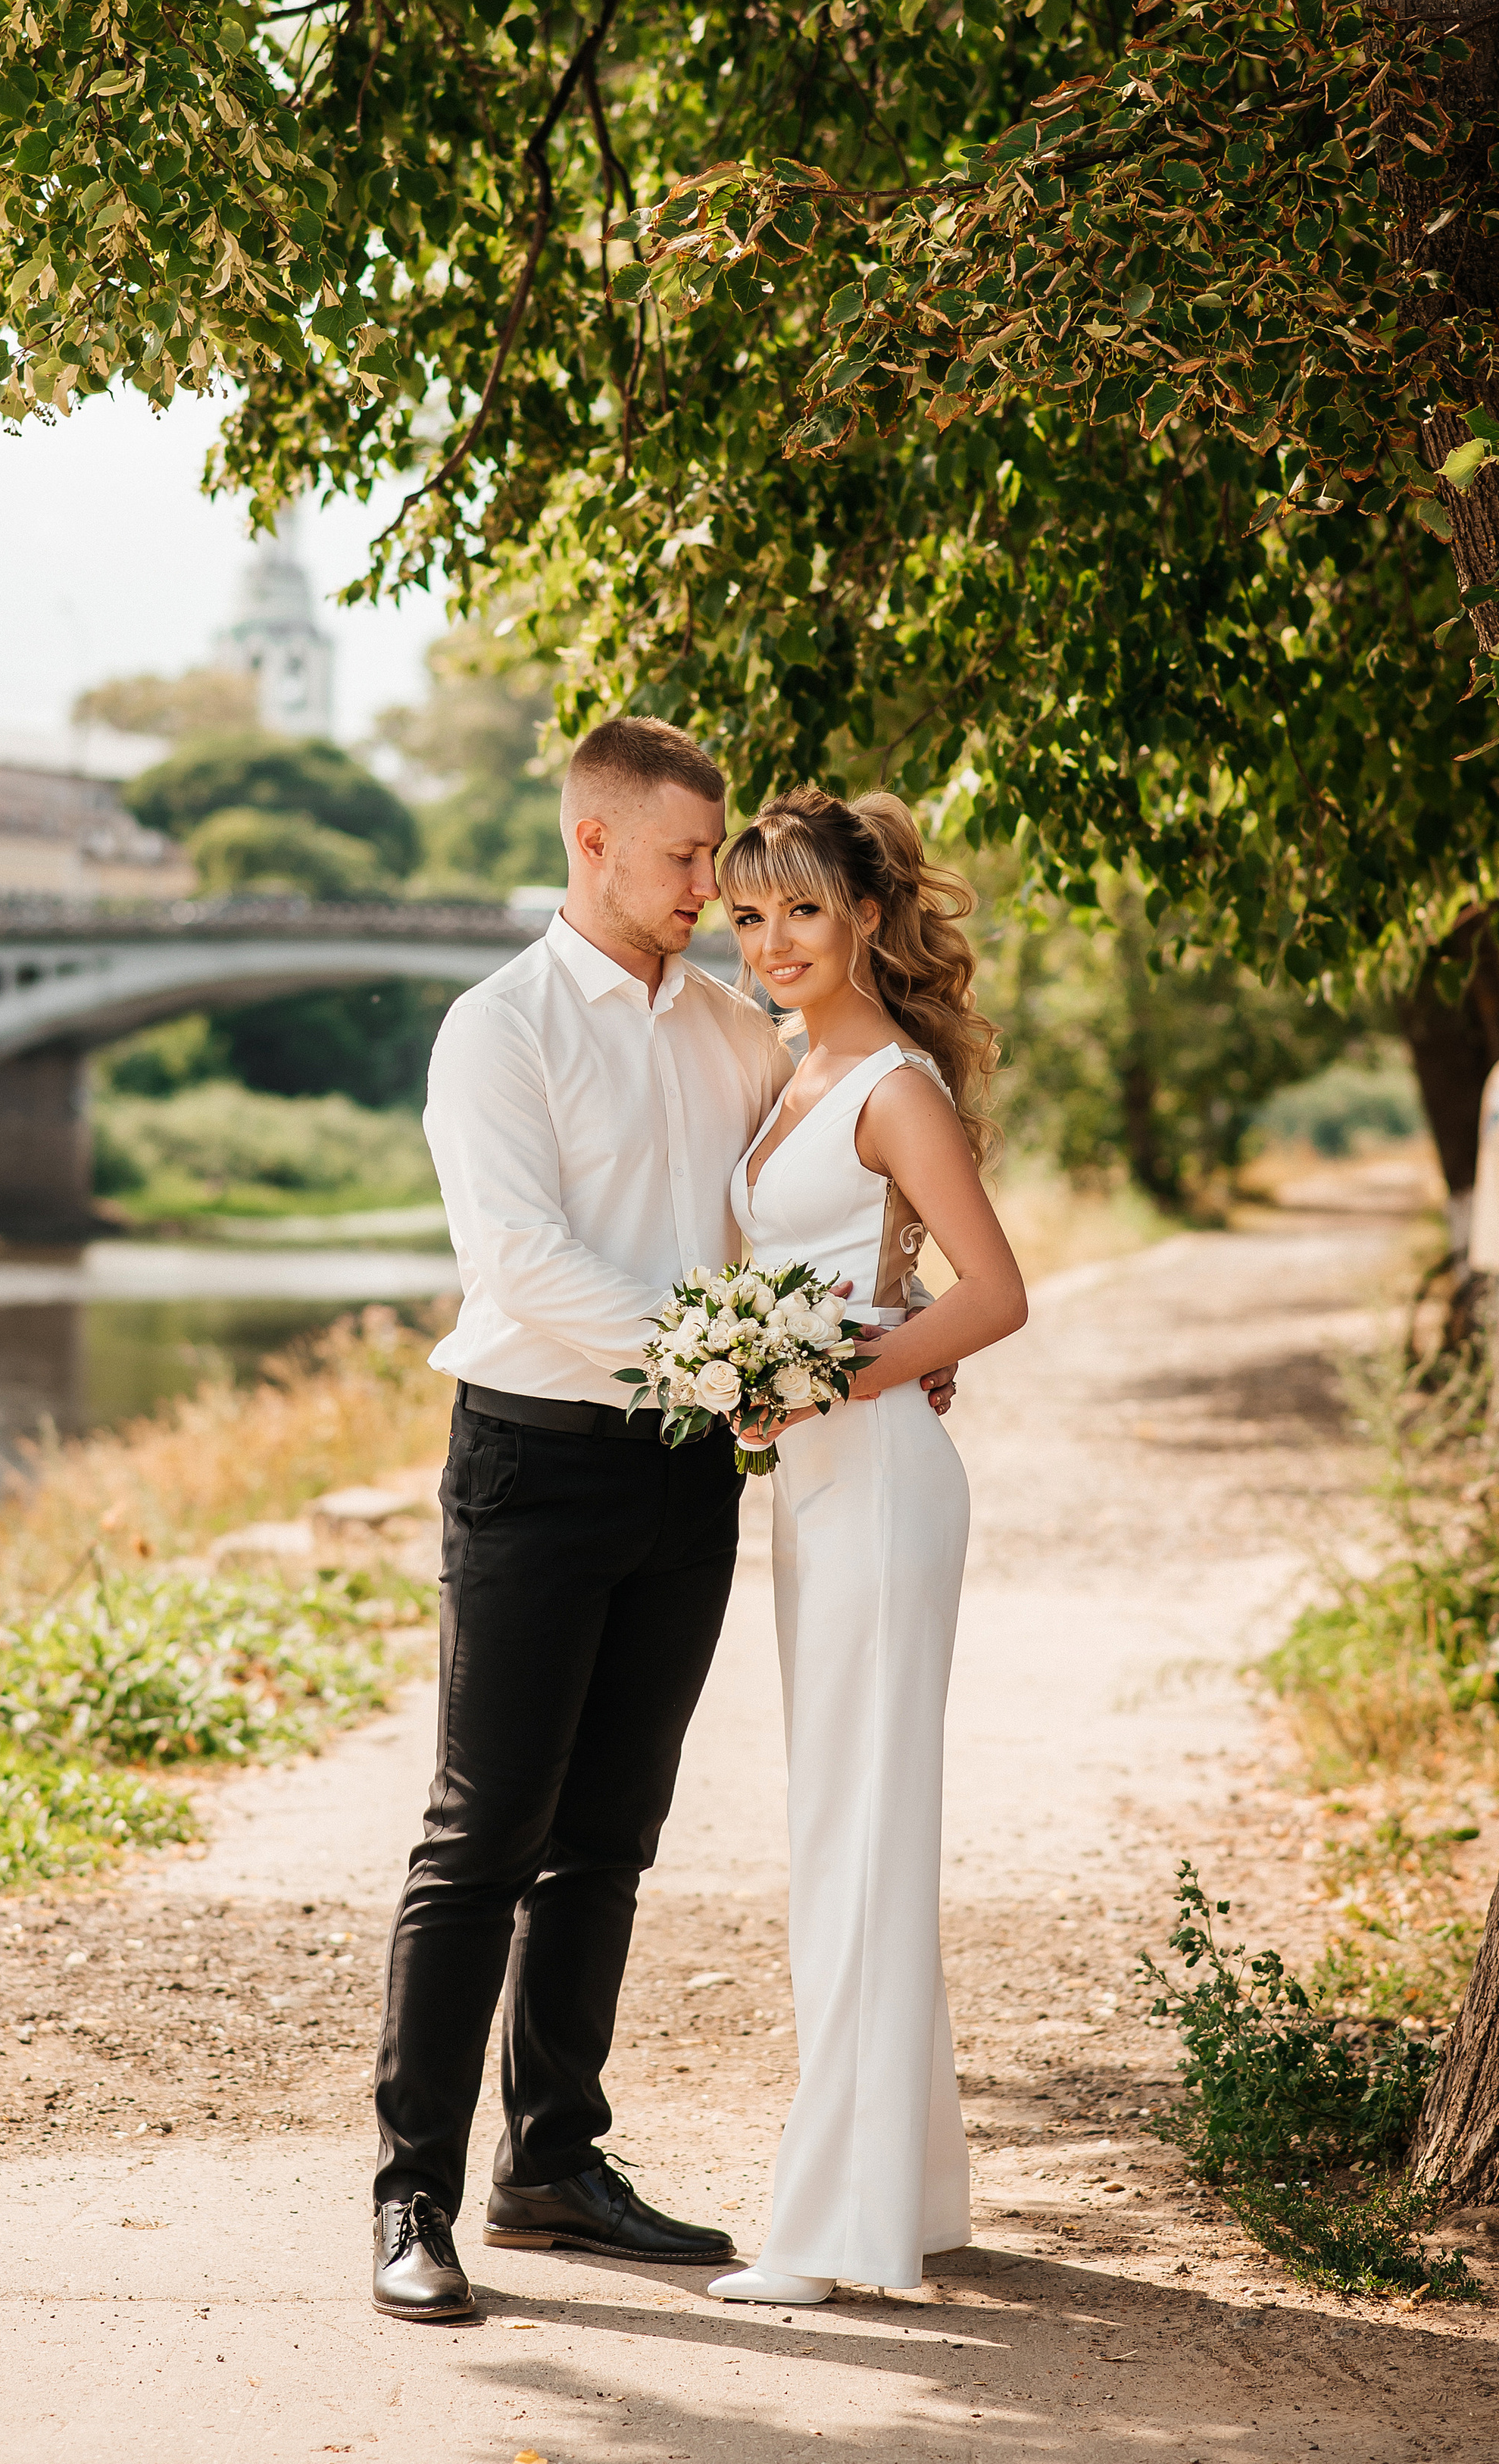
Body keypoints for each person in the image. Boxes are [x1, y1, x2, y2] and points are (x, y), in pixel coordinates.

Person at [370, 718, 956, 2322]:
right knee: (478, 1833)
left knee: (609, 1834)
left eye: (722, 861)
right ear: (594, 846)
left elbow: (836, 1182)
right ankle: (411, 2196)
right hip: (533, 1459)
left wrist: (880, 1333)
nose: (716, 888)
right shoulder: (494, 1030)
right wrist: (735, 1352)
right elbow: (520, 1262)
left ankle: (551, 2163)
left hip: (693, 1468)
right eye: (689, 859)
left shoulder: (732, 1031)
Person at [707, 786, 1027, 2306]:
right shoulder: (788, 1069)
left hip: (883, 1482)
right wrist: (770, 1384)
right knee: (841, 1827)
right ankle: (907, 2194)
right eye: (748, 913)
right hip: (812, 1486)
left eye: (802, 911)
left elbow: (993, 1293)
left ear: (865, 916)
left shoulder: (888, 1083)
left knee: (855, 1836)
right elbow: (859, 1283)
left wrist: (826, 1373)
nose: (772, 940)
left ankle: (832, 2232)